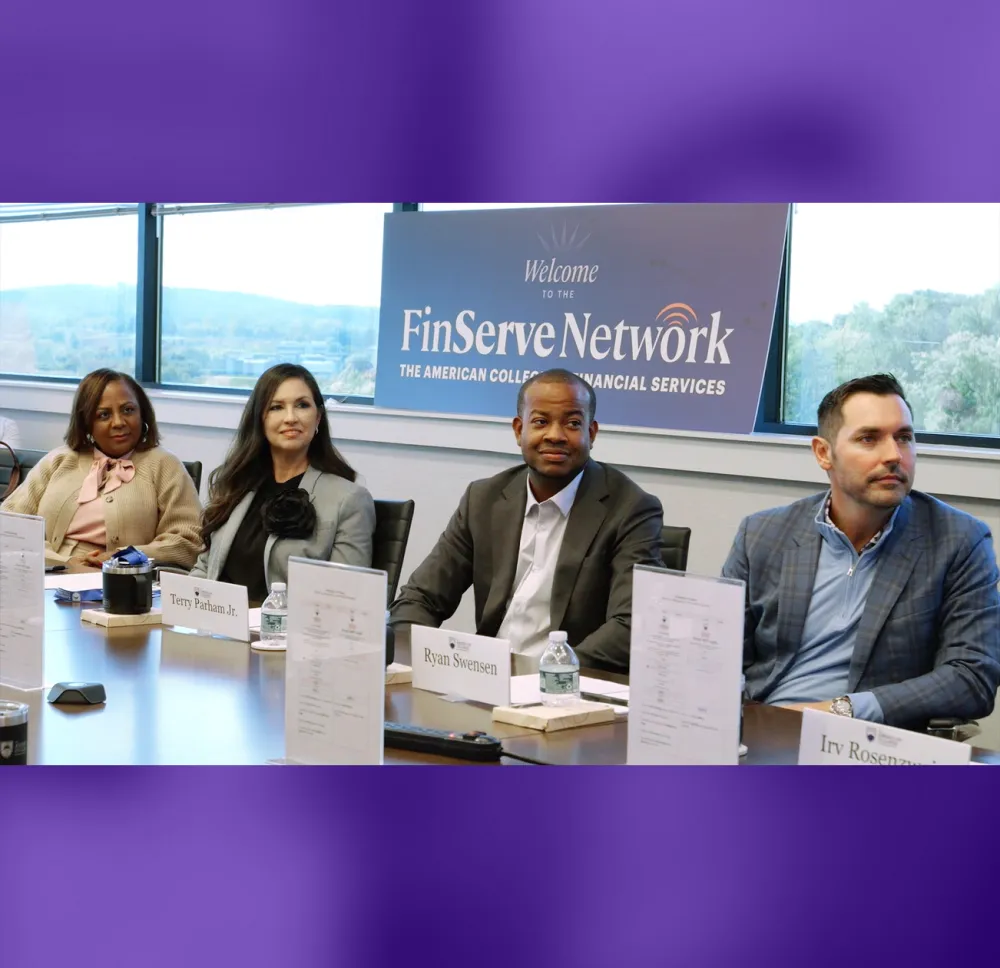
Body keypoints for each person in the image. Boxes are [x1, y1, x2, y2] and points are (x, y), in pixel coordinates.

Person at [722, 373, 1000, 730]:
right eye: (869, 439)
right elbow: (718, 653)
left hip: (869, 741)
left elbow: (972, 676)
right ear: (824, 453)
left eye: (904, 438)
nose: (894, 455)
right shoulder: (762, 534)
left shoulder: (958, 541)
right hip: (761, 728)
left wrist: (841, 711)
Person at [389, 368, 664, 673]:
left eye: (573, 423)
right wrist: (413, 661)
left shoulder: (631, 509)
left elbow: (632, 624)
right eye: (541, 422)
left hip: (566, 684)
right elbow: (420, 598)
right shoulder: (484, 499)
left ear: (592, 433)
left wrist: (551, 671)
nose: (555, 435)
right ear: (519, 430)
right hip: (486, 676)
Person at [190, 363, 376, 605]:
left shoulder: (349, 500)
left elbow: (343, 600)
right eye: (276, 407)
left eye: (302, 405)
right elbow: (204, 570)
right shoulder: (235, 484)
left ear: (318, 417)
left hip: (285, 627)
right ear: (260, 419)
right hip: (218, 622)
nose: (290, 418)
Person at [0, 369, 202, 569]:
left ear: (143, 414)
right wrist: (58, 561)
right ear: (86, 422)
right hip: (49, 574)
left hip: (124, 580)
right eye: (104, 415)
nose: (119, 423)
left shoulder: (165, 465)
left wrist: (121, 557)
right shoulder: (59, 460)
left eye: (128, 410)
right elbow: (8, 523)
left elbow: (188, 541)